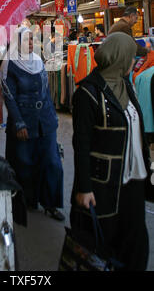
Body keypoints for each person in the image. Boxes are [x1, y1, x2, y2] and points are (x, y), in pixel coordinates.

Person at [70, 32, 150, 271]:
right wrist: (84, 188)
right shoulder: (88, 93)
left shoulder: (127, 86)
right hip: (103, 184)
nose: (135, 62)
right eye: (133, 58)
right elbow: (81, 144)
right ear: (120, 57)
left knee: (135, 244)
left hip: (134, 181)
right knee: (103, 247)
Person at [1, 26, 64, 220]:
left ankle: (51, 203)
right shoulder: (9, 64)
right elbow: (9, 97)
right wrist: (19, 123)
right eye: (26, 40)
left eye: (31, 40)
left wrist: (52, 116)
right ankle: (28, 199)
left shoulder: (38, 61)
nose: (30, 43)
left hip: (45, 121)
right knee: (25, 163)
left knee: (52, 162)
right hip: (24, 121)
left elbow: (45, 92)